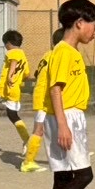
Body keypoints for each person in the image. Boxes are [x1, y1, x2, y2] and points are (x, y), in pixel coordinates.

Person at [36, 0, 95, 189]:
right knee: (84, 175)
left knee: (63, 174)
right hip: (66, 116)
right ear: (80, 23)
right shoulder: (64, 51)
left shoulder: (68, 51)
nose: (94, 32)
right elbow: (56, 89)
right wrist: (63, 125)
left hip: (64, 115)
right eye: (94, 25)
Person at [19, 29, 64, 174]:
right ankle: (28, 162)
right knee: (39, 130)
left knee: (57, 127)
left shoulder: (47, 54)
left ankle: (70, 155)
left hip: (42, 96)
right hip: (45, 99)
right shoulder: (57, 56)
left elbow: (37, 73)